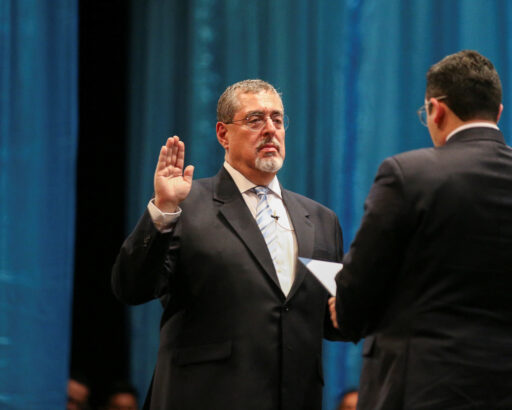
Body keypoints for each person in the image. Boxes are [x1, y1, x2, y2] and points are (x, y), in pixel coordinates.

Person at [330, 50, 512, 409]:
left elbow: (362, 278)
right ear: (499, 112)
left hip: (421, 391)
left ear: (436, 109)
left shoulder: (407, 174)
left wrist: (346, 312)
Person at [112, 79, 343, 409]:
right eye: (255, 119)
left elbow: (333, 319)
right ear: (223, 134)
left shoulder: (321, 219)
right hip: (205, 396)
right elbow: (131, 288)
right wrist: (163, 209)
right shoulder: (184, 205)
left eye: (277, 119)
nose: (270, 130)